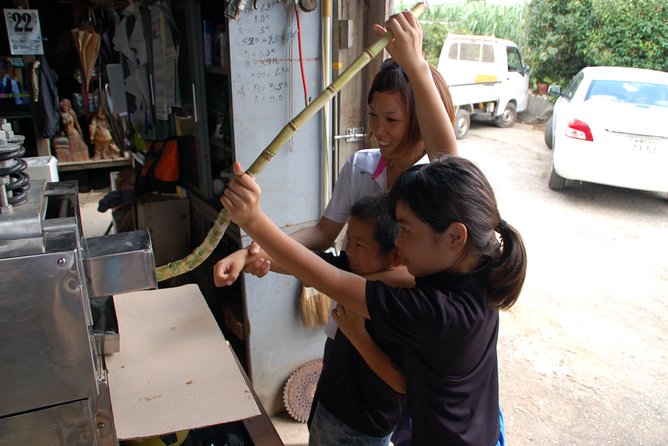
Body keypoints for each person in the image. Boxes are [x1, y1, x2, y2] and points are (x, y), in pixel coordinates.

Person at [220, 154, 527, 446]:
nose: (398, 240)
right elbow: (353, 272)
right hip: (479, 430)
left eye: (405, 229)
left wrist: (255, 222)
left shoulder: (439, 314)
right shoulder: (481, 268)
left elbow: (333, 280)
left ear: (455, 238)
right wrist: (252, 255)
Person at [241, 10, 457, 278]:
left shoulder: (439, 184)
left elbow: (449, 158)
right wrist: (259, 253)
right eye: (373, 116)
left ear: (420, 122)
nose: (378, 130)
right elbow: (322, 234)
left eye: (391, 119)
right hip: (348, 312)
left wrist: (417, 65)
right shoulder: (360, 167)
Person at [215, 192, 407, 445]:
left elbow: (401, 380)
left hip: (364, 427)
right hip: (328, 404)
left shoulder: (402, 305)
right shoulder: (355, 267)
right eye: (348, 239)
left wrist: (357, 335)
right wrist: (246, 256)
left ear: (395, 255)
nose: (349, 250)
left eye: (359, 245)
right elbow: (304, 262)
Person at [55, 98, 90, 162]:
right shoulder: (61, 115)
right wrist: (61, 132)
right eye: (64, 106)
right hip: (66, 132)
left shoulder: (72, 113)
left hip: (73, 132)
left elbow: (77, 124)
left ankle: (80, 158)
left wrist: (80, 133)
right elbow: (60, 126)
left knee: (82, 146)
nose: (65, 107)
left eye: (66, 106)